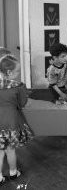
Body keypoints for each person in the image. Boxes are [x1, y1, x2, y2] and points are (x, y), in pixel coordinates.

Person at [0, 53, 33, 185]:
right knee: (10, 150)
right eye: (17, 71)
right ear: (9, 72)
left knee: (0, 151)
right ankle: (13, 172)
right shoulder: (18, 86)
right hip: (12, 123)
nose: (19, 74)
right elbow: (22, 103)